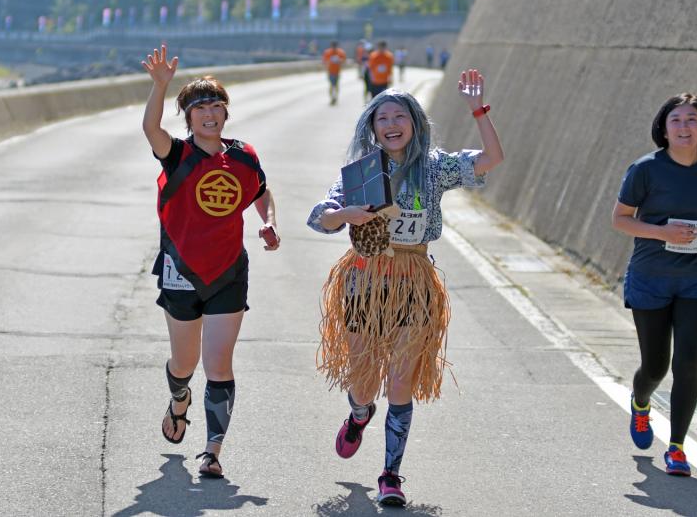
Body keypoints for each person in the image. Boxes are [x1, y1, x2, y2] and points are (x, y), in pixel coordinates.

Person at [307, 69, 504, 505]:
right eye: (382, 118)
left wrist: (479, 111)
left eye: (400, 116)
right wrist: (346, 215)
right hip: (364, 280)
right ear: (372, 128)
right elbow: (320, 215)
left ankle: (391, 475)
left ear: (415, 123)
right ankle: (359, 413)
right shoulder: (363, 170)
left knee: (400, 381)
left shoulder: (433, 167)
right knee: (363, 377)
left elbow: (490, 158)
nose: (391, 124)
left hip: (415, 282)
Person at [141, 45, 281, 479]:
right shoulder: (177, 155)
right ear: (189, 118)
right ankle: (179, 397)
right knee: (184, 364)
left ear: (225, 113)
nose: (209, 114)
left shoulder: (243, 156)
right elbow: (150, 129)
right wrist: (160, 85)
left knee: (219, 365)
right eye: (200, 108)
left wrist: (269, 223)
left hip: (227, 274)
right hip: (180, 271)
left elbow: (261, 194)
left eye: (216, 106)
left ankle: (212, 450)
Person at [612, 93, 697, 477]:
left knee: (687, 362)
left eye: (692, 120)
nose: (684, 127)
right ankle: (641, 403)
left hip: (696, 280)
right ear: (664, 128)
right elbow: (620, 219)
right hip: (651, 279)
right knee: (654, 367)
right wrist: (661, 231)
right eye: (677, 120)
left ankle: (677, 448)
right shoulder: (645, 170)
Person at [322, 41, 346, 105]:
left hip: (337, 71)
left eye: (335, 46)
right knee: (331, 85)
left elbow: (344, 60)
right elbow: (324, 61)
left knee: (336, 85)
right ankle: (332, 97)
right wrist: (329, 62)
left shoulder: (340, 52)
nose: (334, 48)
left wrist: (339, 60)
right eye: (333, 46)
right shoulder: (327, 52)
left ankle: (336, 96)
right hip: (330, 71)